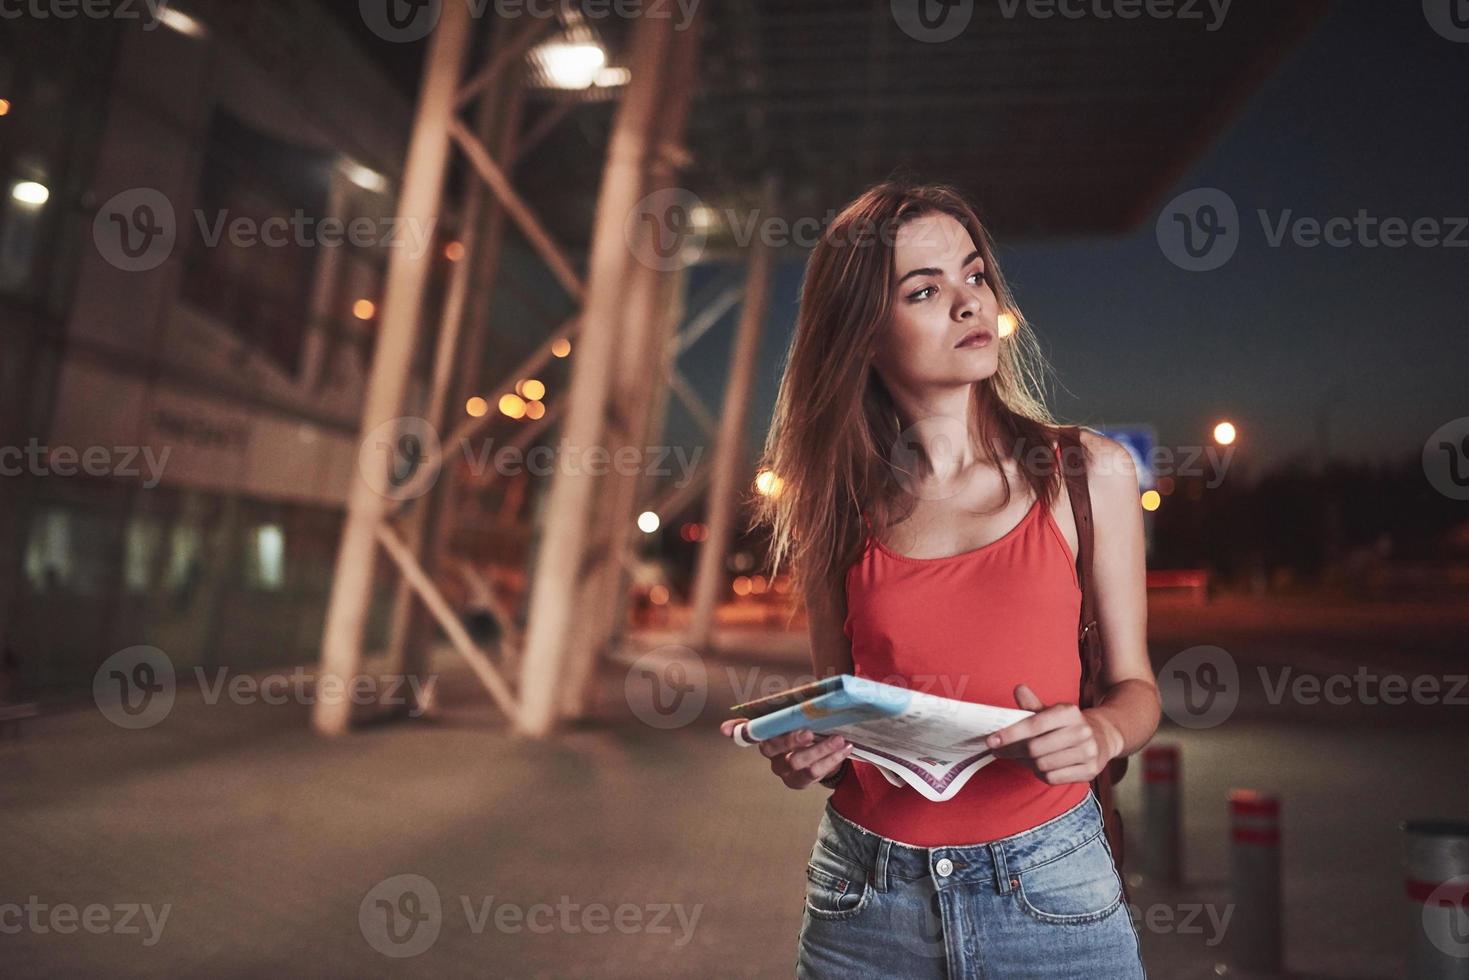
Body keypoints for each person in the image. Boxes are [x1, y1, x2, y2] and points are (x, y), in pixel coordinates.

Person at [721, 181, 1161, 978]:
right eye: (924, 290)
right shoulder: (834, 503)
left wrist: (1097, 733)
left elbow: (1136, 689)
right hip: (864, 898)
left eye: (974, 275)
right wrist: (809, 748)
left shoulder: (1085, 472)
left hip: (1049, 887)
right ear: (862, 335)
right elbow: (842, 697)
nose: (968, 304)